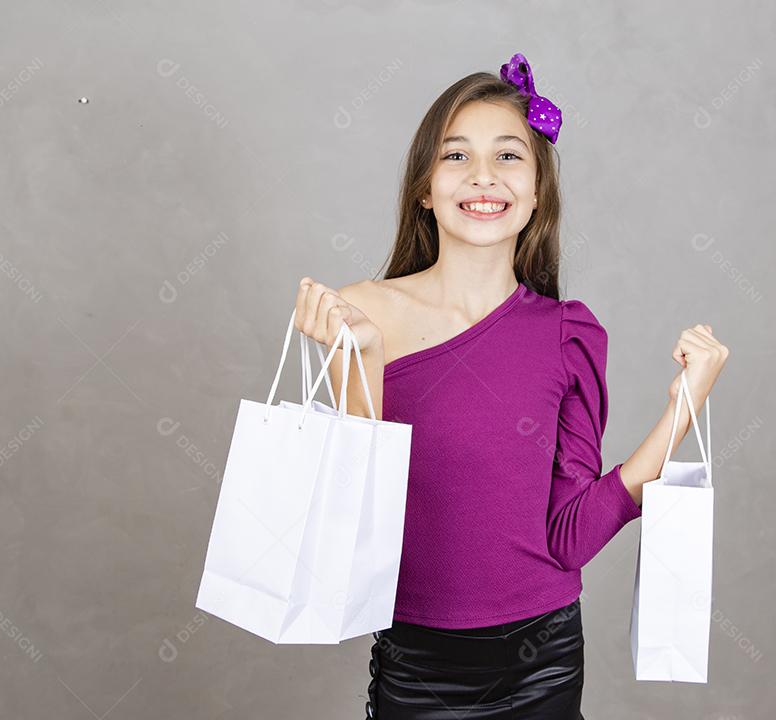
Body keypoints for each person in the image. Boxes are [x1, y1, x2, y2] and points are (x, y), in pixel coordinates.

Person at [292, 52, 729, 720]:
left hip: (543, 664)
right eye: (456, 156)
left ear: (536, 194)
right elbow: (357, 529)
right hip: (419, 667)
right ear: (424, 187)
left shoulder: (569, 335)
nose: (483, 177)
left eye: (508, 157)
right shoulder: (361, 314)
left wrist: (684, 406)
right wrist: (363, 364)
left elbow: (569, 537)